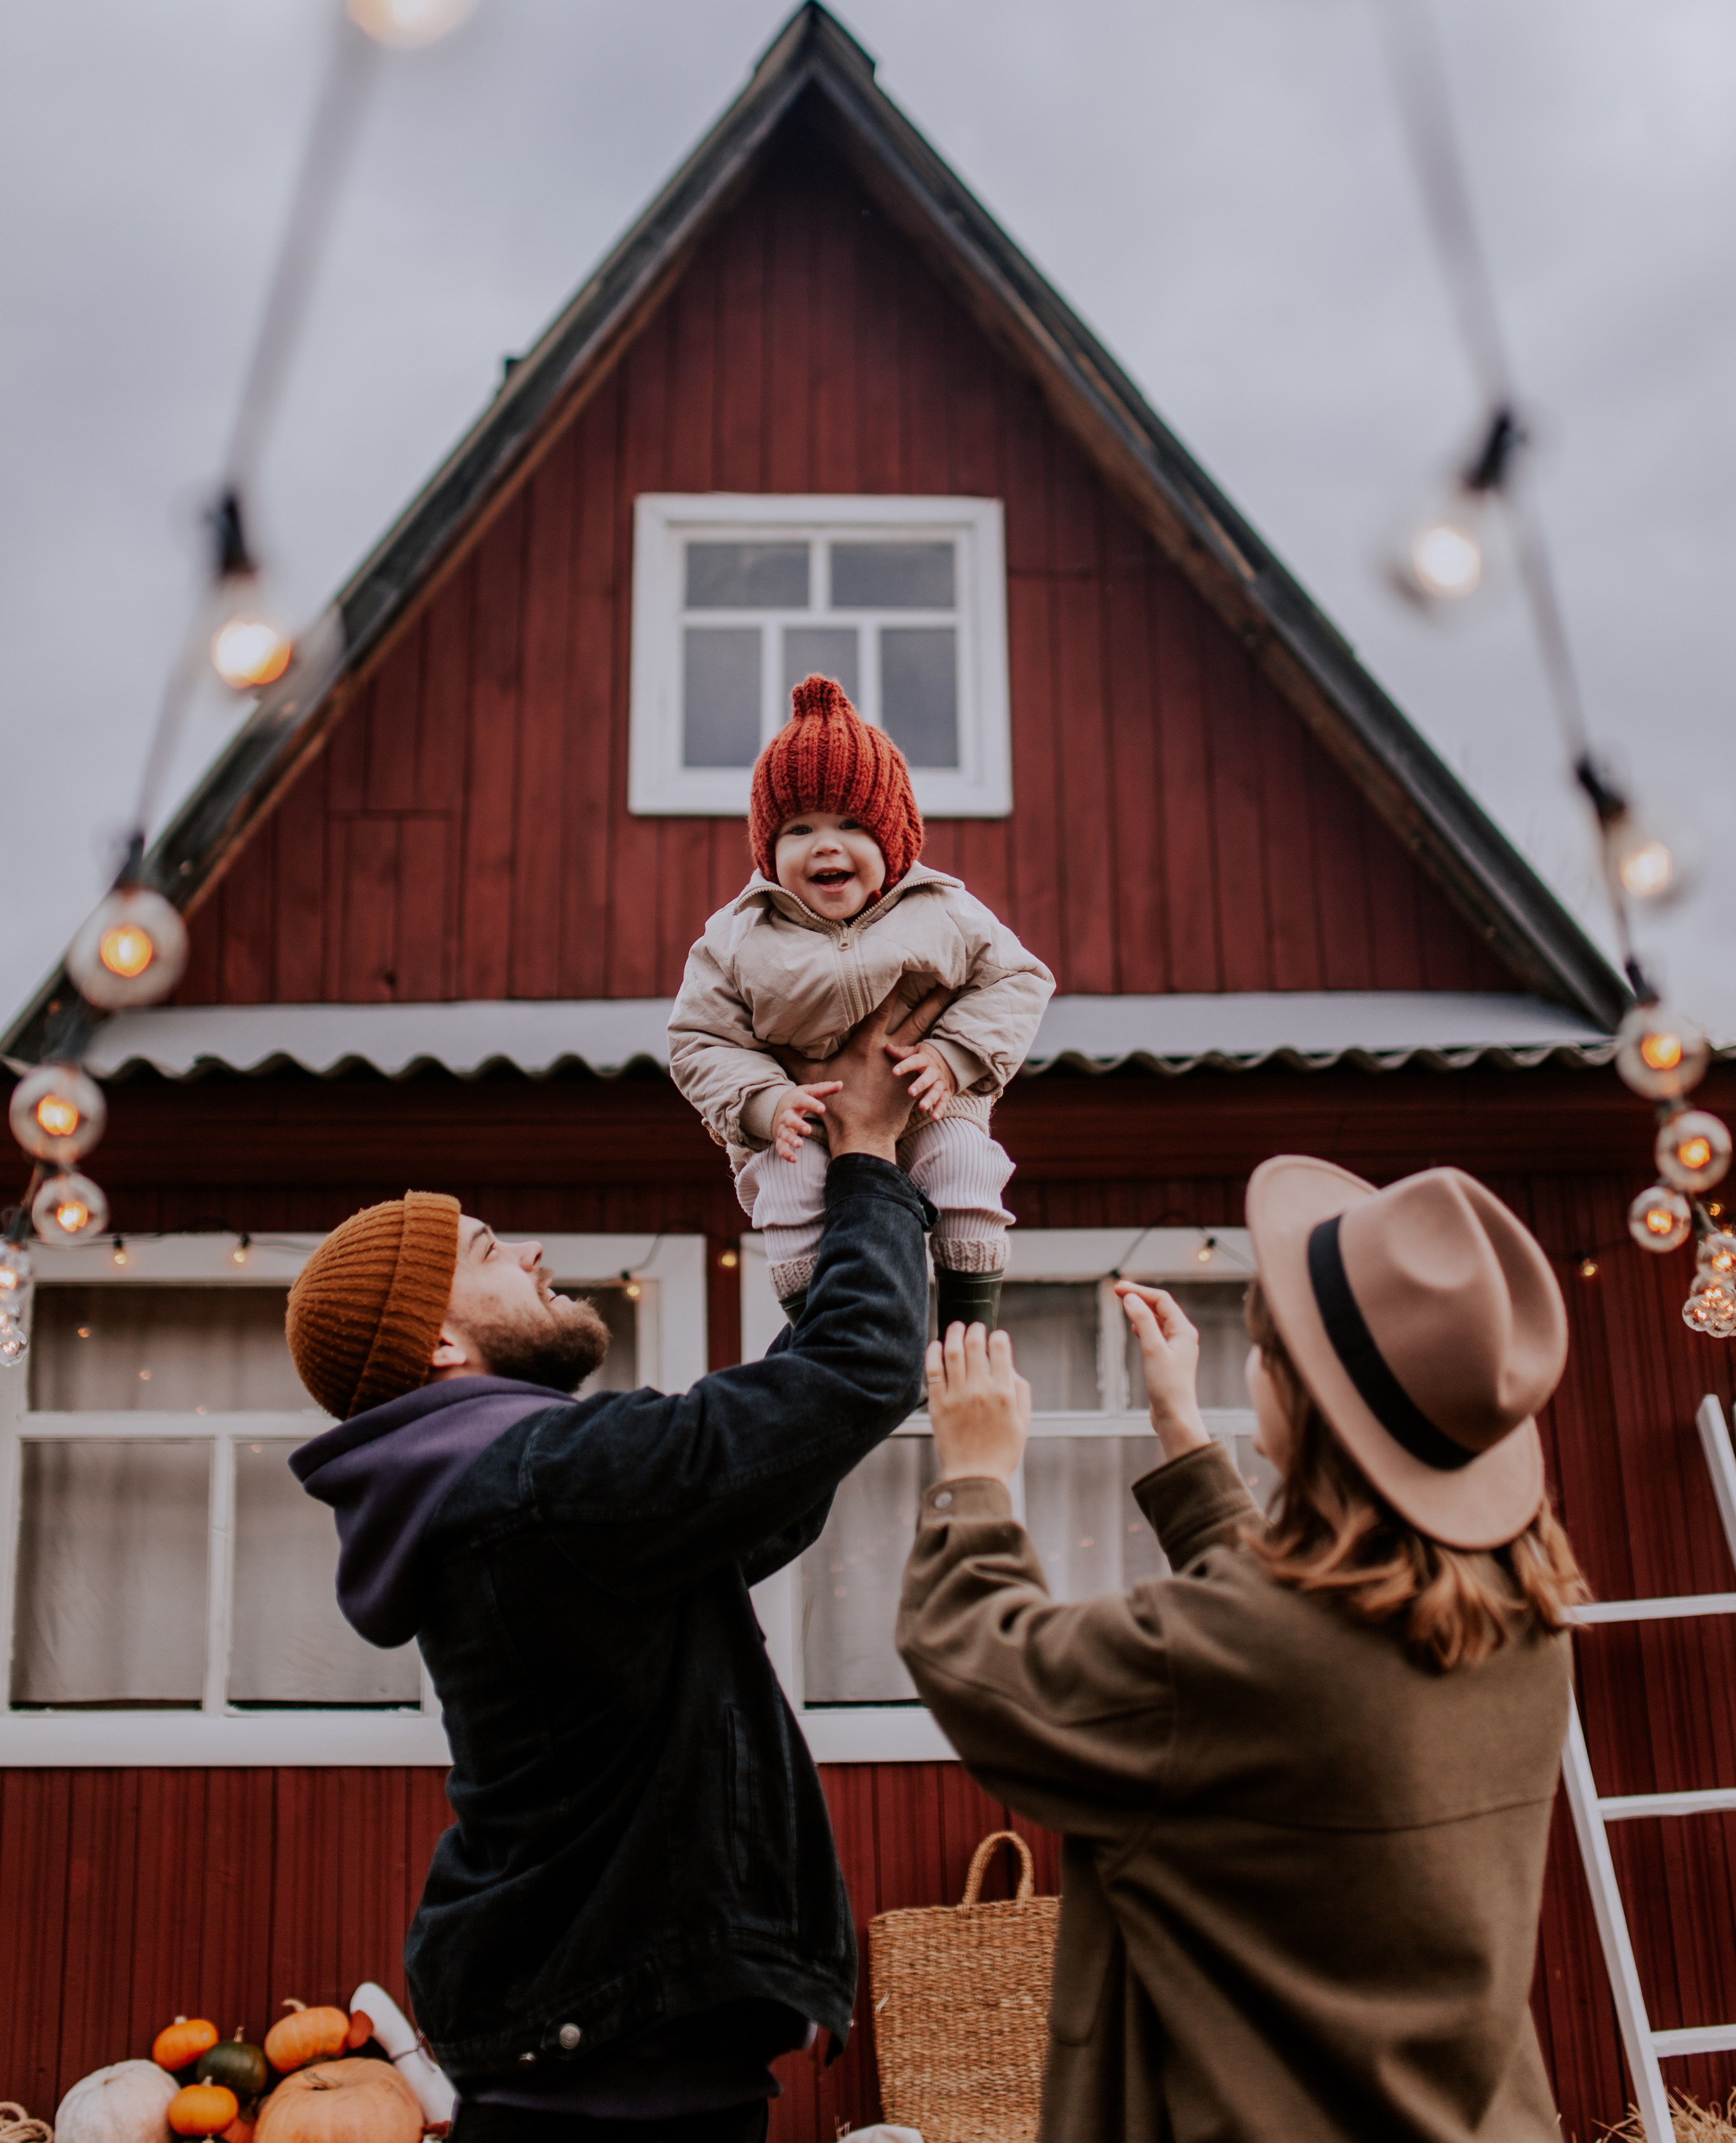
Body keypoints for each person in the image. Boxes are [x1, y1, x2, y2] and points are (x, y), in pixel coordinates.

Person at [285, 981, 951, 2143]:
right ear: (437, 1341)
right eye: (489, 1251)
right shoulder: (543, 1481)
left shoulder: (505, 1489)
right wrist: (868, 1158)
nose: (532, 1252)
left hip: (601, 2056)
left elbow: (772, 1486)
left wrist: (842, 1223)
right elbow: (855, 1375)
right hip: (616, 2080)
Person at [897, 1154, 1588, 2143]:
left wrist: (976, 1476)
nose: (1251, 1363)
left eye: (1264, 1348)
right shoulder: (1518, 1619)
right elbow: (1297, 1662)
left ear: (1300, 1401)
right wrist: (1182, 1431)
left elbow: (977, 1655)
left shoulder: (1250, 1655)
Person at [667, 673, 1053, 1331]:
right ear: (768, 850)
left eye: (851, 824)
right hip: (799, 1116)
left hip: (930, 1098)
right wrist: (764, 1102)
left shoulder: (941, 908)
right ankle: (827, 1339)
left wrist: (953, 1056)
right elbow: (700, 1040)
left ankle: (966, 1330)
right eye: (799, 829)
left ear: (892, 838)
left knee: (965, 1168)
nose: (826, 843)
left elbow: (1017, 980)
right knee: (790, 1190)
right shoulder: (737, 935)